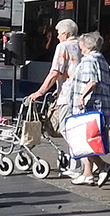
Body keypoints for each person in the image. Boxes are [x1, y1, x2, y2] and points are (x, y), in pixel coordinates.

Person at [27, 19, 81, 177]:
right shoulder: (81, 44)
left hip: (67, 95)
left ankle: (76, 166)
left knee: (67, 129)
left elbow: (55, 72)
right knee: (77, 129)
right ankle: (84, 165)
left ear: (65, 33)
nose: (57, 36)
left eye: (58, 33)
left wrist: (40, 92)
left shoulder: (63, 46)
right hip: (79, 94)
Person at [69, 31, 110, 187]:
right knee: (89, 141)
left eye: (81, 45)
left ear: (87, 45)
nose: (80, 48)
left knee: (84, 142)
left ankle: (103, 166)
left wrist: (81, 96)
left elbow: (92, 81)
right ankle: (87, 174)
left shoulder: (89, 59)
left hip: (91, 106)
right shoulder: (101, 59)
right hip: (102, 106)